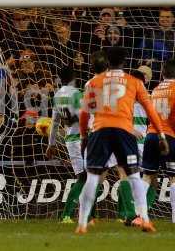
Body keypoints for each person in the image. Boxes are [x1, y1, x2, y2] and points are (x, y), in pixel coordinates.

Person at [76, 46, 169, 234]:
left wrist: (84, 135)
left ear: (107, 62)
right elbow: (151, 110)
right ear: (124, 62)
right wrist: (160, 134)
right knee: (134, 176)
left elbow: (84, 113)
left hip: (100, 130)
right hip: (124, 131)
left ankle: (82, 223)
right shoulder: (133, 81)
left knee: (93, 177)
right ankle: (144, 220)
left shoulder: (95, 81)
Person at [46, 66, 84, 223]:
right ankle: (66, 214)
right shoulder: (77, 94)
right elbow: (84, 117)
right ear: (74, 78)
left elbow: (55, 123)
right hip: (82, 138)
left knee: (88, 177)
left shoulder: (57, 96)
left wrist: (51, 144)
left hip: (70, 139)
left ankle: (88, 215)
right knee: (85, 177)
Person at [142, 59, 175, 224]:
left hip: (150, 135)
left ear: (163, 73)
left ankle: (138, 215)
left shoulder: (155, 90)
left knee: (147, 176)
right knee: (174, 177)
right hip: (168, 136)